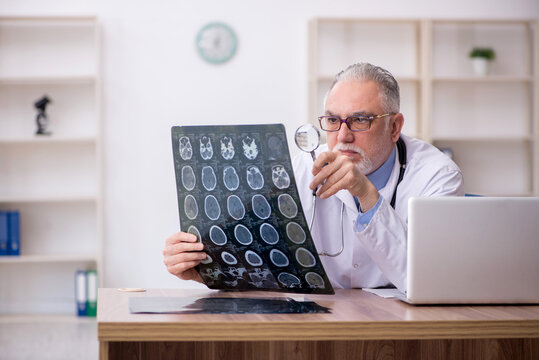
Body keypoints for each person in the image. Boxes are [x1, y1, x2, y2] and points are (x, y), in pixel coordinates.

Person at [163, 63, 464, 292]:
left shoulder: (437, 175)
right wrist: (205, 268)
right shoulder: (302, 167)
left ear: (395, 127)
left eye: (360, 120)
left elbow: (430, 282)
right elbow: (264, 258)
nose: (343, 136)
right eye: (333, 120)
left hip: (405, 328)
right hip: (324, 320)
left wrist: (365, 193)